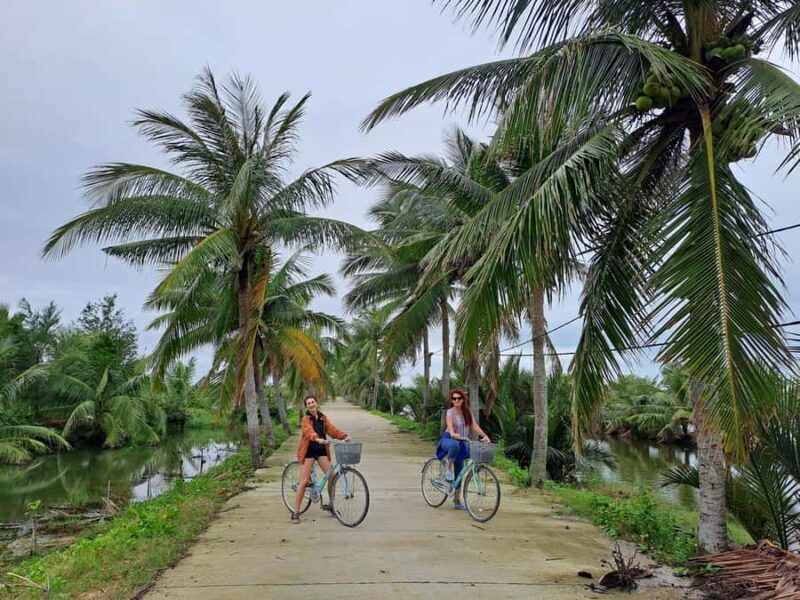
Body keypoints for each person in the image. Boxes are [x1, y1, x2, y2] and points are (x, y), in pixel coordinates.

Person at [292, 394, 350, 524]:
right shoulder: (306, 419)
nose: (311, 404)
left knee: (332, 476)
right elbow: (308, 431)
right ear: (306, 406)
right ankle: (296, 512)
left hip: (321, 450)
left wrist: (344, 436)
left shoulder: (323, 418)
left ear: (316, 403)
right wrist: (316, 438)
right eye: (308, 403)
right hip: (309, 452)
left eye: (313, 402)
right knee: (304, 481)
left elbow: (332, 430)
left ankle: (331, 506)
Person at [435, 388, 491, 510]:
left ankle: (457, 500)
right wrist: (453, 433)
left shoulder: (467, 412)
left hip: (462, 442)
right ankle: (448, 469)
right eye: (454, 398)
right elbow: (449, 425)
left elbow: (474, 426)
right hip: (448, 439)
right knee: (454, 446)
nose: (456, 400)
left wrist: (484, 436)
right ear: (452, 400)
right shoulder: (450, 412)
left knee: (460, 470)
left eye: (459, 398)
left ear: (463, 400)